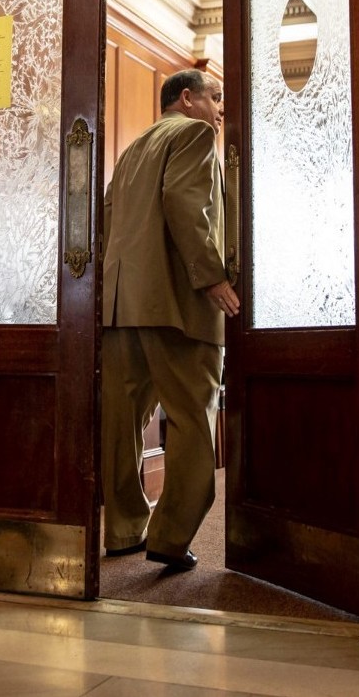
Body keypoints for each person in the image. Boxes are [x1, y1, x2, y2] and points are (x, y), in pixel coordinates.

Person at [100, 68, 240, 571]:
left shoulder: (132, 149)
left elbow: (107, 220)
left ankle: (122, 529)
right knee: (194, 419)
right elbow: (187, 205)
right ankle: (170, 536)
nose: (220, 110)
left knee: (121, 423)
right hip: (176, 304)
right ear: (187, 98)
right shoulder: (195, 134)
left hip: (121, 306)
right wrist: (212, 278)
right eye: (216, 97)